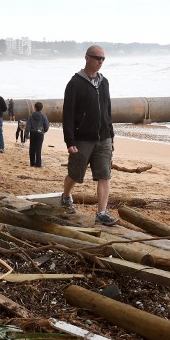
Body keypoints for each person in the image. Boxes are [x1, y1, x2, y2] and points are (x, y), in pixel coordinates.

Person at [60, 45, 118, 226]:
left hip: (104, 138)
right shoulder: (75, 83)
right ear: (86, 58)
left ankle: (101, 213)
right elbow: (67, 114)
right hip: (82, 138)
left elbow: (107, 110)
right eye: (97, 58)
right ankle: (66, 195)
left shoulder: (104, 82)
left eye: (103, 59)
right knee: (75, 174)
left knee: (104, 175)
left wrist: (111, 135)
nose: (100, 62)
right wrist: (69, 141)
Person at [27, 101, 50, 167]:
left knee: (32, 148)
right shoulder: (43, 116)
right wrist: (44, 131)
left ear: (35, 108)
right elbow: (46, 125)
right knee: (38, 148)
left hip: (32, 133)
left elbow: (28, 126)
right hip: (40, 133)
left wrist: (26, 135)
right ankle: (38, 164)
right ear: (41, 108)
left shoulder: (31, 116)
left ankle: (32, 163)